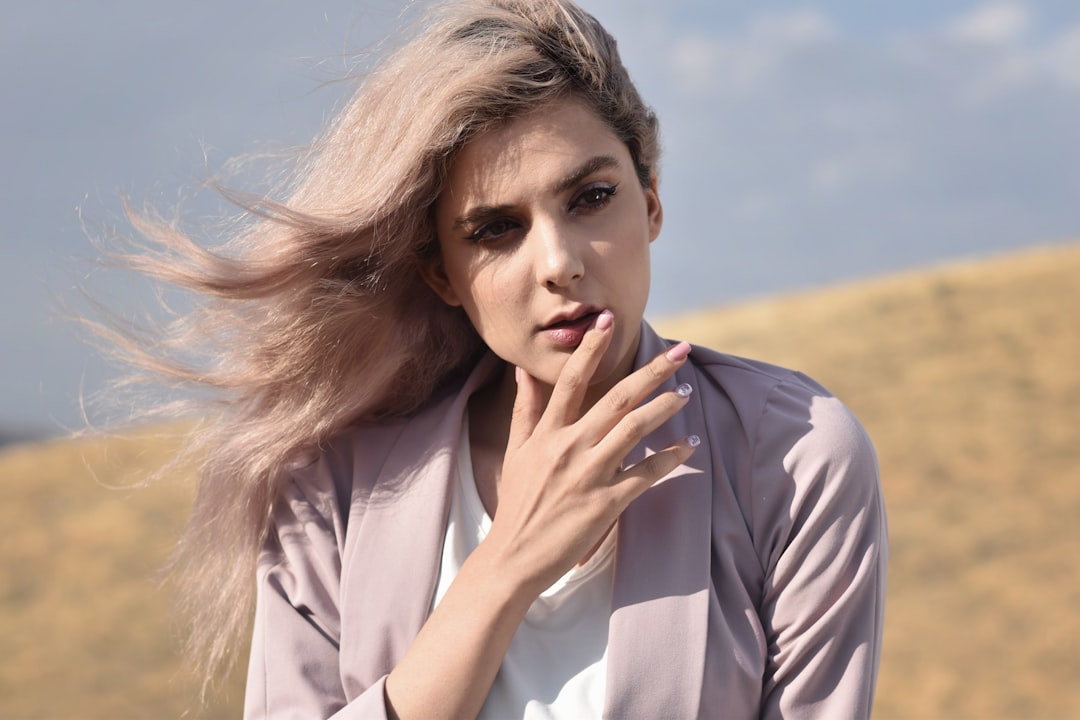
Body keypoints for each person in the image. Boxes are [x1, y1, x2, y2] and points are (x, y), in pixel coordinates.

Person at [106, 0, 886, 717]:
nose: (559, 262)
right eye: (494, 231)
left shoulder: (792, 455)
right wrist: (504, 566)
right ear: (441, 272)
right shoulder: (328, 485)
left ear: (650, 199)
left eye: (590, 198)